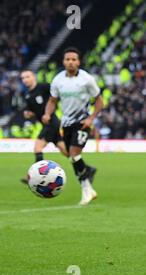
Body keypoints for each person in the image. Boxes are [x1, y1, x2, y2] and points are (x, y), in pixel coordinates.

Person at [42, 47, 103, 205]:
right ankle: (88, 171)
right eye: (67, 59)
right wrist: (47, 114)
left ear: (79, 62)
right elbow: (52, 100)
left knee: (74, 153)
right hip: (67, 123)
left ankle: (86, 189)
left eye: (73, 59)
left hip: (82, 122)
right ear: (63, 62)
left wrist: (91, 118)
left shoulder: (86, 79)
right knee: (71, 156)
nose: (70, 62)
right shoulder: (58, 80)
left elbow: (99, 100)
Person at [19, 70, 68, 184]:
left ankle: (36, 177)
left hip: (52, 122)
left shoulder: (44, 87)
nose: (25, 79)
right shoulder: (27, 95)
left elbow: (56, 95)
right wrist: (28, 113)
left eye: (27, 76)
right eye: (23, 78)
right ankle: (85, 169)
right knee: (65, 151)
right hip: (46, 124)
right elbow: (32, 111)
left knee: (37, 148)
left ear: (33, 77)